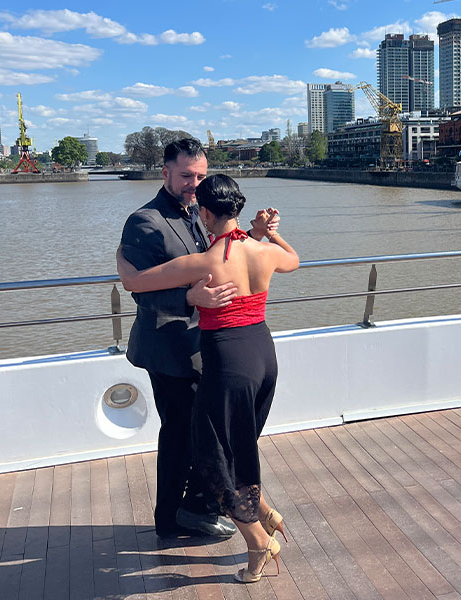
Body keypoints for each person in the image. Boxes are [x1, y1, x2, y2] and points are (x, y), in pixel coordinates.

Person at [118, 173, 298, 583]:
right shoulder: (262, 252)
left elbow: (134, 281)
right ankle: (267, 512)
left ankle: (257, 542)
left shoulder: (206, 262)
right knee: (236, 444)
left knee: (214, 457)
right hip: (262, 355)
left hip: (228, 363)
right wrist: (268, 234)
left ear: (204, 212)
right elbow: (295, 259)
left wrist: (119, 257)